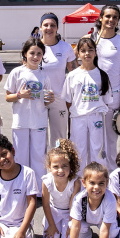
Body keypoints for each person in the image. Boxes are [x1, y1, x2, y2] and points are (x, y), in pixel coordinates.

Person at [84, 4, 120, 170]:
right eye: (108, 16)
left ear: (118, 20)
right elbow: (77, 64)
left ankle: (111, 174)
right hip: (91, 96)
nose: (111, 20)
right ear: (101, 18)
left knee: (111, 139)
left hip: (114, 95)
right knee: (92, 136)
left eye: (115, 17)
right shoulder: (90, 39)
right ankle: (92, 172)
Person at [5, 39, 55, 179]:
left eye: (39, 54)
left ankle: (38, 188)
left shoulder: (44, 75)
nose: (35, 57)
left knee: (39, 158)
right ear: (25, 54)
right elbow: (8, 97)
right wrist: (19, 95)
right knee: (20, 157)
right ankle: (21, 186)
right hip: (21, 122)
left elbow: (46, 100)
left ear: (43, 56)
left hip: (39, 122)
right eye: (32, 53)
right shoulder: (17, 72)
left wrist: (50, 100)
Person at [63, 38, 115, 169]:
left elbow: (107, 101)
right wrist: (77, 111)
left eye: (90, 50)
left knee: (97, 149)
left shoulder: (102, 75)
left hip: (96, 118)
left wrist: (94, 110)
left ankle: (97, 177)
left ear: (95, 53)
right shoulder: (72, 75)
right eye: (83, 50)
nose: (87, 53)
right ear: (78, 54)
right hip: (78, 118)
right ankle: (78, 178)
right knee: (78, 149)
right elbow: (68, 101)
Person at [59, 162, 119, 238]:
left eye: (101, 183)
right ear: (84, 183)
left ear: (107, 183)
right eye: (92, 183)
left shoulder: (110, 200)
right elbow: (75, 226)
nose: (96, 187)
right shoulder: (79, 199)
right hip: (86, 220)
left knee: (111, 233)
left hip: (104, 223)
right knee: (74, 226)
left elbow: (105, 229)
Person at [38, 13, 76, 145]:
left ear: (57, 28)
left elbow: (74, 72)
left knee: (59, 138)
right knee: (39, 137)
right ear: (40, 27)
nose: (49, 28)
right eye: (46, 25)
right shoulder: (34, 47)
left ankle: (58, 159)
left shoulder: (65, 47)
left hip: (59, 98)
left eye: (52, 25)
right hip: (38, 98)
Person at [40, 139, 82, 238]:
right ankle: (47, 221)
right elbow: (45, 205)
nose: (60, 170)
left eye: (64, 166)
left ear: (70, 166)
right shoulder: (46, 181)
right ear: (49, 167)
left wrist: (70, 225)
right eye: (55, 167)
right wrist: (51, 225)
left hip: (69, 212)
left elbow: (73, 206)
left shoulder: (75, 182)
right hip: (53, 210)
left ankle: (65, 226)